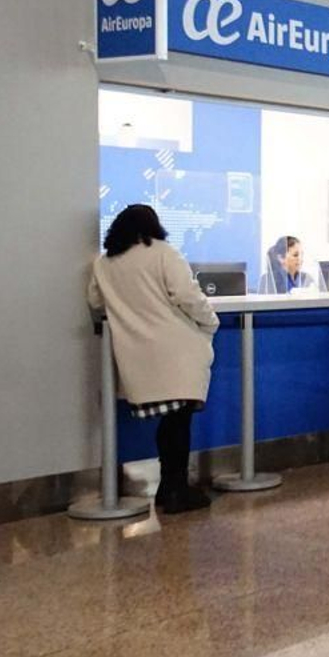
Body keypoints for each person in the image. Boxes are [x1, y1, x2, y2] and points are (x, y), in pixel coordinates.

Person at [87, 204, 221, 514]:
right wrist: (211, 322)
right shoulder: (163, 253)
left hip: (137, 356)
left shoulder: (105, 264)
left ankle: (167, 487)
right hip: (177, 350)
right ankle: (176, 490)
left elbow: (95, 301)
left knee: (170, 421)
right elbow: (188, 296)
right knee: (178, 420)